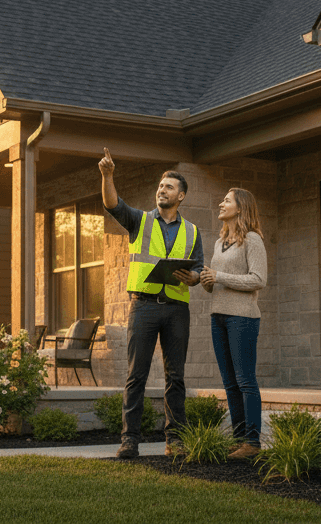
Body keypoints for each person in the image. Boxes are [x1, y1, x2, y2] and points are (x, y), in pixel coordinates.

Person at [98, 148, 202, 459]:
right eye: (160, 186)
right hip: (143, 307)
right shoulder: (140, 220)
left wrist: (194, 278)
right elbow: (112, 204)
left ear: (180, 196)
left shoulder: (193, 231)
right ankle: (130, 439)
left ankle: (176, 440)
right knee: (136, 375)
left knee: (176, 376)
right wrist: (107, 176)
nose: (162, 190)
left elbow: (198, 268)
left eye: (168, 187)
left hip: (176, 309)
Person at [199, 187, 268, 460]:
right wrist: (207, 282)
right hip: (219, 316)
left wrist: (220, 277)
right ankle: (239, 439)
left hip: (243, 317)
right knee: (229, 382)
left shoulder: (253, 240)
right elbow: (218, 282)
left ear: (240, 208)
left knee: (245, 380)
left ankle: (252, 442)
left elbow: (258, 280)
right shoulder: (219, 243)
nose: (220, 203)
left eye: (226, 200)